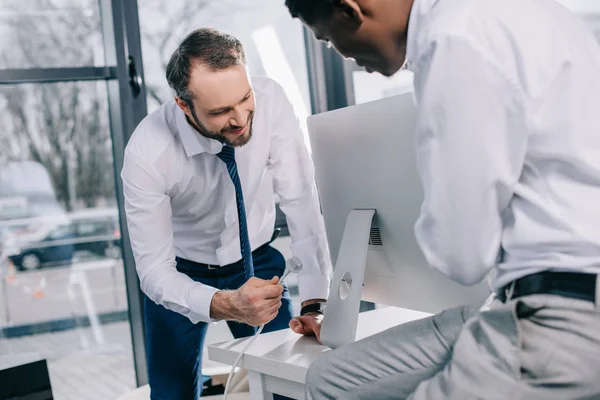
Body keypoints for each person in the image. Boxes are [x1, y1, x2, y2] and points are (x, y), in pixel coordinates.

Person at [286, 0, 600, 399]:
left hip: (562, 315)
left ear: (350, 10)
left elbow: (461, 256)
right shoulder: (493, 15)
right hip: (518, 301)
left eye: (328, 40)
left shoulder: (454, 39)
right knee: (330, 379)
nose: (344, 55)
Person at [121, 28, 332, 399]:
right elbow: (154, 271)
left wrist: (316, 300)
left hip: (256, 254)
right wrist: (224, 303)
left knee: (291, 384)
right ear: (184, 105)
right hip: (181, 269)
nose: (239, 119)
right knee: (170, 393)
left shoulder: (270, 100)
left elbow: (300, 199)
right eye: (220, 111)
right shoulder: (147, 151)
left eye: (244, 98)